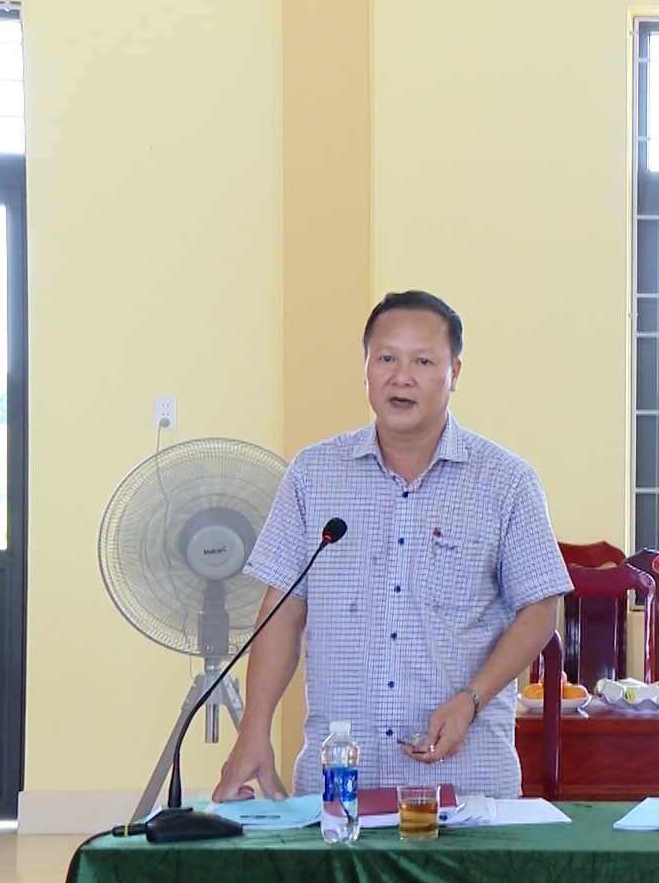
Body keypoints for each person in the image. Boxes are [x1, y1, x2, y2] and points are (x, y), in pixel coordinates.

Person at [212, 290, 570, 802]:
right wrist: (254, 726)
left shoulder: (506, 482)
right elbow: (283, 610)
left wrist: (471, 700)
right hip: (341, 787)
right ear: (365, 368)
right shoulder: (313, 475)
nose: (401, 377)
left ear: (454, 373)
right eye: (386, 359)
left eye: (423, 361)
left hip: (466, 787)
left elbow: (539, 610)